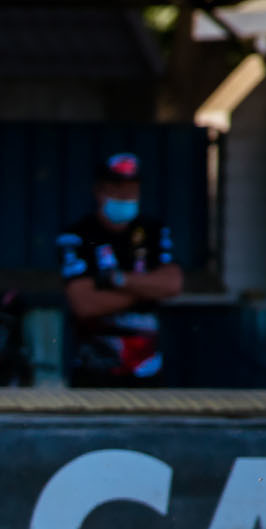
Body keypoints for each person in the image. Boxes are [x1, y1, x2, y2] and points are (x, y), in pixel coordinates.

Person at [56, 153, 182, 388]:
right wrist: (146, 290)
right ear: (99, 190)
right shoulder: (80, 234)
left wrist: (117, 280)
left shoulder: (152, 231)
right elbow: (84, 304)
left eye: (131, 188)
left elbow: (172, 285)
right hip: (94, 373)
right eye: (116, 187)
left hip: (147, 373)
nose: (124, 195)